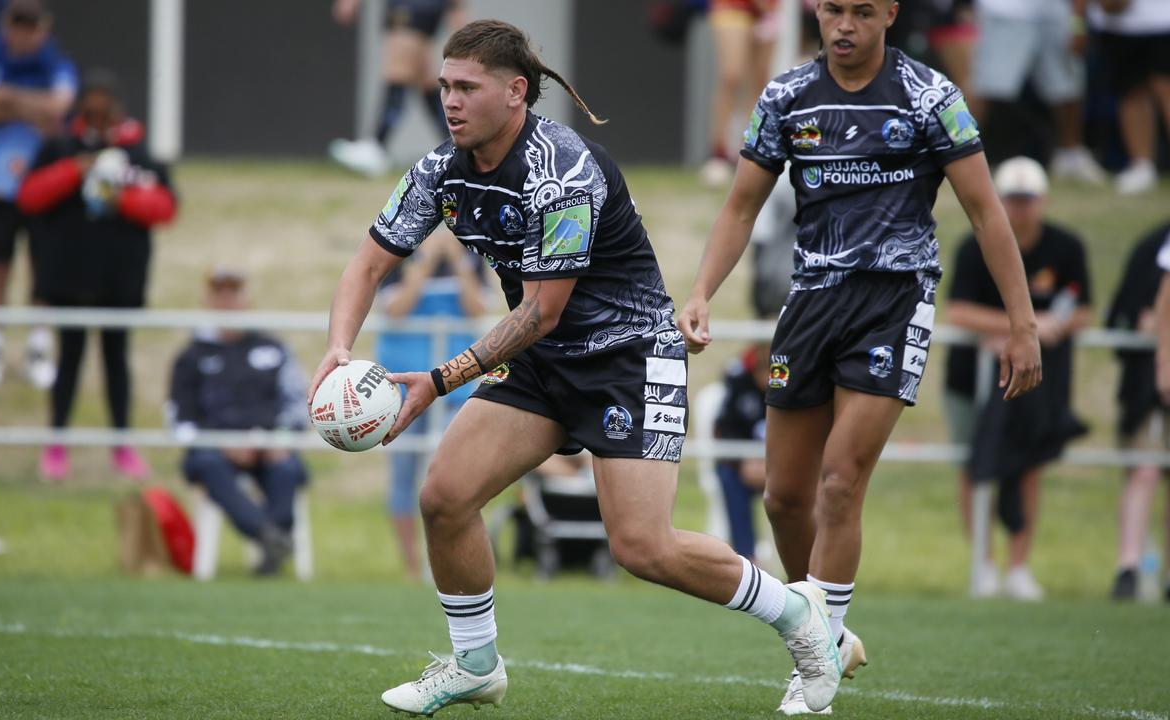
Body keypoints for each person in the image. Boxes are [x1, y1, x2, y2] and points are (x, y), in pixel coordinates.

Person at [309, 19, 844, 716]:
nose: (450, 101)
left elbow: (541, 312)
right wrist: (339, 347)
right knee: (445, 496)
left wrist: (437, 381)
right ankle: (476, 665)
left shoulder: (560, 171)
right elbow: (369, 262)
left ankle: (797, 614)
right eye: (444, 86)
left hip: (629, 356)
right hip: (540, 364)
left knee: (642, 547)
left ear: (516, 92)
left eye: (467, 87)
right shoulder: (441, 170)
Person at [676, 0, 1043, 712]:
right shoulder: (785, 96)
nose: (844, 25)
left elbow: (987, 211)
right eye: (833, 9)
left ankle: (815, 661)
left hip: (893, 301)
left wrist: (1021, 324)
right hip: (808, 305)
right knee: (784, 496)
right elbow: (741, 207)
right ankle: (828, 636)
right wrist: (700, 292)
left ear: (890, 15)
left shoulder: (931, 96)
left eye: (862, 12)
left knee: (840, 483)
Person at [15, 70, 177, 481]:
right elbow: (30, 197)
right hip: (68, 279)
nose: (101, 118)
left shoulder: (139, 154)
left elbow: (166, 207)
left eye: (108, 110)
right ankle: (56, 446)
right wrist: (76, 170)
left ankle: (122, 446)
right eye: (93, 109)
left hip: (120, 280)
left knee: (115, 361)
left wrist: (118, 196)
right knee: (67, 360)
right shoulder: (59, 148)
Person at [946, 157, 1091, 602]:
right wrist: (1014, 327)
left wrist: (1044, 328)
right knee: (974, 466)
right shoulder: (973, 247)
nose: (1021, 208)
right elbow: (957, 309)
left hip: (1029, 380)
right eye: (1012, 199)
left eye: (1028, 200)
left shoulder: (1066, 247)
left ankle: (1018, 566)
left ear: (1042, 201)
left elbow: (1083, 309)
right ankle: (982, 563)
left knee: (1028, 465)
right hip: (972, 376)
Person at [169, 267, 311, 576]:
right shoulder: (191, 356)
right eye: (219, 294)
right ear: (207, 301)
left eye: (234, 293)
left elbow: (298, 406)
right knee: (209, 466)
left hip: (270, 444)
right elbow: (179, 420)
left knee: (287, 469)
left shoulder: (274, 348)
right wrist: (220, 443)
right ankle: (267, 536)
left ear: (247, 300)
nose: (227, 302)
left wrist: (279, 441)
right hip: (214, 449)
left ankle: (271, 552)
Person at [0, 0, 76, 390]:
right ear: (5, 25)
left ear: (43, 29)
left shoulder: (56, 64)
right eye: (18, 25)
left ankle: (38, 350)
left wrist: (10, 99)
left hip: (43, 186)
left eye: (32, 26)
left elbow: (59, 110)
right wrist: (33, 108)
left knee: (42, 272)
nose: (24, 34)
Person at [376, 233, 485, 580]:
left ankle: (447, 563)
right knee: (404, 478)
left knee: (454, 478)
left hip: (455, 389)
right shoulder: (399, 253)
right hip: (405, 388)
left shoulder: (472, 252)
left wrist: (456, 259)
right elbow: (395, 309)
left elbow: (477, 309)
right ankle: (412, 568)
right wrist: (423, 261)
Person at [967, 0, 1105, 184]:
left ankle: (1071, 155)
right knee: (987, 86)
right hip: (1004, 9)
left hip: (1055, 10)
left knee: (1068, 85)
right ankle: (954, 152)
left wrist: (1078, 23)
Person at [329, 0, 465, 178]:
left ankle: (377, 146)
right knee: (424, 78)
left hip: (410, 6)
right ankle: (462, 149)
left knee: (399, 70)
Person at [1109, 220, 1170, 601]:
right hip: (1150, 382)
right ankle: (1128, 568)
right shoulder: (1151, 243)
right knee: (1145, 470)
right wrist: (1163, 363)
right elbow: (1130, 311)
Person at [1088, 0, 1170, 194]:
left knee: (1166, 91)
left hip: (1164, 20)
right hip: (1119, 24)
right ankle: (1142, 165)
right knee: (1131, 93)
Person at [701, 0, 778, 187]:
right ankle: (719, 153)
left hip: (770, 10)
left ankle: (749, 150)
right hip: (732, 6)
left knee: (759, 85)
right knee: (731, 77)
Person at [714, 341, 771, 558]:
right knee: (728, 476)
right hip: (745, 467)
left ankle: (806, 564)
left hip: (786, 465)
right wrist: (744, 460)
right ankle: (747, 557)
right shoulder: (737, 378)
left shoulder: (798, 379)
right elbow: (723, 428)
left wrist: (774, 465)